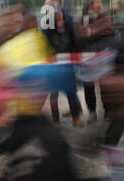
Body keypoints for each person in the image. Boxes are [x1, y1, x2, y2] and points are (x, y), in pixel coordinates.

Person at [43, 0, 83, 128]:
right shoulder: (48, 31)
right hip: (53, 67)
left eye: (62, 19)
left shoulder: (69, 28)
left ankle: (76, 118)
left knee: (71, 92)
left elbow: (75, 45)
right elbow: (44, 33)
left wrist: (78, 58)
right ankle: (56, 121)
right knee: (54, 94)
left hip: (68, 66)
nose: (60, 21)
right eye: (57, 19)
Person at [78, 0, 115, 123]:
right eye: (97, 2)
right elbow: (80, 35)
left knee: (105, 87)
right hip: (87, 58)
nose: (99, 4)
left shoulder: (104, 16)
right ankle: (92, 112)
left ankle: (108, 112)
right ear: (90, 5)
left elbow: (109, 32)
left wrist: (91, 31)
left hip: (102, 56)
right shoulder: (83, 18)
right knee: (88, 88)